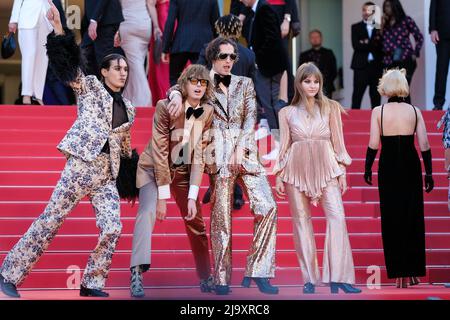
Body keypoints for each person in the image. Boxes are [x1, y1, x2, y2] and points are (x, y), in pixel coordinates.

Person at [0, 2, 135, 298]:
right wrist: (60, 30)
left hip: (105, 177)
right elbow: (69, 65)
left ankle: (92, 282)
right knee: (51, 220)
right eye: (117, 68)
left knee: (113, 227)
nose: (123, 73)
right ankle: (8, 273)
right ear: (104, 71)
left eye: (125, 69)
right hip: (80, 167)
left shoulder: (130, 109)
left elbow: (125, 148)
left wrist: (130, 176)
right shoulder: (89, 87)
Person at [166, 37, 278, 296]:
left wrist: (241, 146)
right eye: (224, 56)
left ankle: (258, 270)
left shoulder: (245, 83)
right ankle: (222, 278)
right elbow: (177, 86)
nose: (229, 61)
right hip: (217, 155)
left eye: (232, 57)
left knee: (268, 206)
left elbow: (251, 117)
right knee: (221, 219)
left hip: (246, 153)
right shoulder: (202, 82)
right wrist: (174, 93)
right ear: (213, 58)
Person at [273, 63, 361, 295]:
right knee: (301, 222)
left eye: (316, 81)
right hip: (295, 170)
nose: (312, 85)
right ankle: (309, 278)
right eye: (307, 81)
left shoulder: (331, 108)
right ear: (299, 84)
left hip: (328, 169)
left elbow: (338, 143)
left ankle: (339, 277)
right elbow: (284, 146)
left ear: (321, 84)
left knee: (337, 217)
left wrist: (342, 170)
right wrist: (279, 174)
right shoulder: (286, 113)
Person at [129, 65, 215, 298]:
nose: (199, 86)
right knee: (147, 212)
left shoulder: (207, 112)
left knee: (195, 219)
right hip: (152, 168)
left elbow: (199, 155)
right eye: (194, 81)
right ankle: (136, 272)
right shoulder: (165, 107)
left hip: (183, 171)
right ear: (184, 85)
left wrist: (191, 195)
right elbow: (159, 150)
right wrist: (163, 198)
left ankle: (206, 275)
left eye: (203, 83)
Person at [364, 69, 433, 288]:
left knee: (392, 218)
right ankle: (412, 272)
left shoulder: (378, 111)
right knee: (413, 217)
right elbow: (424, 144)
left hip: (388, 166)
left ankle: (399, 274)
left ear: (385, 86)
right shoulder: (415, 111)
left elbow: (374, 143)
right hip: (411, 166)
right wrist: (429, 172)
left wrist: (367, 168)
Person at [197, 14, 256, 210]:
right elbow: (253, 84)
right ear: (238, 30)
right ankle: (233, 193)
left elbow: (198, 74)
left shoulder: (209, 49)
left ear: (218, 28)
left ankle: (219, 188)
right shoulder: (248, 54)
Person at [240, 0, 290, 161]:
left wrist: (257, 58)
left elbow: (271, 38)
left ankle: (281, 144)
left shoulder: (264, 9)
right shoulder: (260, 9)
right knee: (272, 105)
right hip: (269, 65)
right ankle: (281, 144)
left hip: (269, 65)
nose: (240, 0)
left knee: (272, 105)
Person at [162, 0, 220, 86]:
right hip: (204, 43)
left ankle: (177, 98)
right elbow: (216, 23)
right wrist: (215, 45)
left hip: (181, 41)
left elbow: (170, 22)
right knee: (203, 80)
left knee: (175, 81)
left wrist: (165, 48)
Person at [8, 0, 53, 105]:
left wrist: (52, 10)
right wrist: (13, 19)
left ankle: (38, 95)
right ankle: (26, 94)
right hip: (27, 17)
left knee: (42, 59)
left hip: (45, 17)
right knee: (29, 55)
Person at [380, 0, 423, 104]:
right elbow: (379, 40)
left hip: (405, 58)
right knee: (392, 92)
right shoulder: (384, 23)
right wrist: (381, 25)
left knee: (403, 89)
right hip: (389, 60)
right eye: (385, 6)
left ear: (395, 6)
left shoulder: (406, 20)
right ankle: (392, 117)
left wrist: (415, 53)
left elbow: (419, 37)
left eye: (389, 6)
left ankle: (408, 115)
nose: (386, 9)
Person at [115, 0, 153, 107]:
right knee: (136, 65)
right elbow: (151, 4)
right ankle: (128, 99)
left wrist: (117, 31)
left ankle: (144, 101)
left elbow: (116, 7)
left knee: (136, 66)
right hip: (145, 23)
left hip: (129, 23)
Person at [351, 2, 383, 109]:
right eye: (364, 10)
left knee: (376, 97)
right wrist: (373, 43)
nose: (366, 13)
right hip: (360, 66)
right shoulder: (355, 27)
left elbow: (381, 47)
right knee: (357, 96)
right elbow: (356, 46)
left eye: (369, 10)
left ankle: (377, 121)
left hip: (376, 66)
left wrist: (365, 42)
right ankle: (353, 121)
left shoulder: (379, 28)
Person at [81, 0, 125, 77]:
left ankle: (108, 87)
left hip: (103, 21)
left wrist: (94, 20)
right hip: (97, 20)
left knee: (104, 62)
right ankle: (99, 86)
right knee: (86, 56)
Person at [299, 30, 337, 99]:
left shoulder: (329, 53)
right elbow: (301, 72)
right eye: (312, 37)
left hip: (326, 87)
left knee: (326, 108)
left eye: (317, 37)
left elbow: (334, 71)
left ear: (321, 38)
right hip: (309, 87)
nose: (315, 39)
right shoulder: (304, 55)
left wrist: (324, 83)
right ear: (309, 39)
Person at [429, 0, 450, 110]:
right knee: (441, 69)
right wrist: (432, 29)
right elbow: (433, 6)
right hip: (443, 33)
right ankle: (438, 103)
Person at [148, 0, 168, 103]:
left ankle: (163, 97)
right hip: (171, 18)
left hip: (163, 18)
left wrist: (156, 26)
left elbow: (150, 3)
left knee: (162, 63)